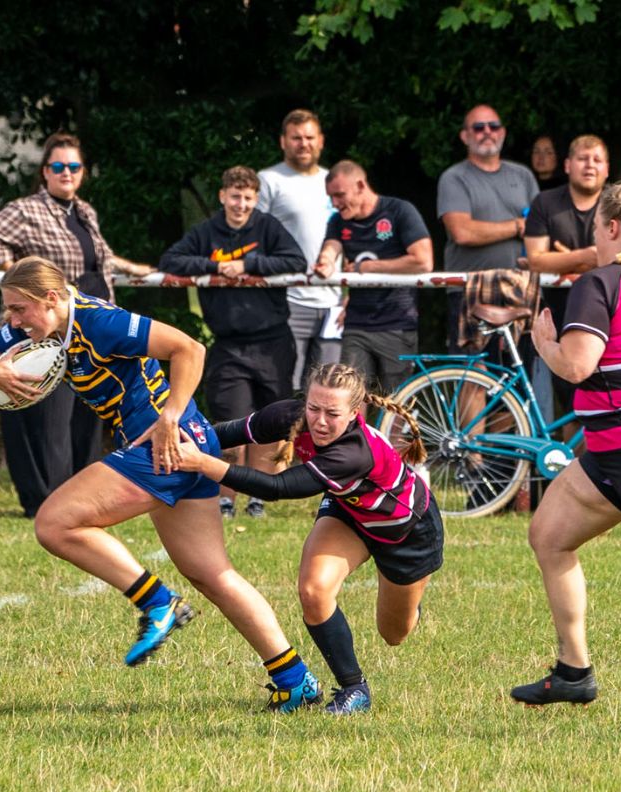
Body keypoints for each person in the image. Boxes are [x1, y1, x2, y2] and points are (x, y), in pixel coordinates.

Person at [0, 256, 321, 712]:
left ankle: (158, 602)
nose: (11, 321)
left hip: (165, 442)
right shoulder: (35, 325)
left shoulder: (100, 321)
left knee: (55, 523)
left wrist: (171, 415)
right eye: (8, 311)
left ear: (50, 299)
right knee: (213, 574)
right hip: (178, 446)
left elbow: (190, 349)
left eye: (18, 310)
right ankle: (295, 681)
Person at [177, 362, 444, 715]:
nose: (319, 421)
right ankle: (354, 689)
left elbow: (278, 487)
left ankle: (410, 599)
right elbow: (229, 433)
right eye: (314, 408)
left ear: (353, 414)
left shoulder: (354, 451)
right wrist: (180, 435)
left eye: (331, 413)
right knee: (314, 591)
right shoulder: (292, 415)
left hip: (405, 531)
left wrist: (204, 464)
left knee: (394, 633)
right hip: (349, 511)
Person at [511, 181, 621, 705]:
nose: (594, 238)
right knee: (549, 535)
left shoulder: (601, 282)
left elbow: (576, 365)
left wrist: (546, 344)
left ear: (614, 228)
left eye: (596, 228)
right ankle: (574, 672)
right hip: (611, 450)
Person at [0, 131, 147, 518]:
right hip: (46, 328)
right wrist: (21, 280)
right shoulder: (27, 209)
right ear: (44, 172)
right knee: (49, 417)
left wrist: (133, 269)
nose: (66, 173)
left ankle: (81, 500)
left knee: (87, 417)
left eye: (74, 166)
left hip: (88, 325)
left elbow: (98, 260)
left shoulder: (84, 212)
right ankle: (46, 501)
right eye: (58, 166)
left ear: (82, 172)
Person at [159, 165, 306, 520]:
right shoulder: (207, 232)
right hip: (228, 344)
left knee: (272, 423)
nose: (241, 204)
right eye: (235, 197)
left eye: (248, 198)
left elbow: (297, 261)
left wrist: (248, 265)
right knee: (231, 424)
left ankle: (259, 498)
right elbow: (171, 261)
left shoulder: (268, 227)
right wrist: (213, 266)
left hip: (273, 340)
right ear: (223, 196)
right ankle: (226, 498)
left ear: (256, 200)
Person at [316, 160, 433, 395]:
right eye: (331, 197)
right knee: (349, 396)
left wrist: (368, 268)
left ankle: (393, 435)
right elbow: (331, 246)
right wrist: (326, 261)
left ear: (360, 185)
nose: (334, 203)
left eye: (339, 195)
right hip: (356, 324)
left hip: (397, 323)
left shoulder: (399, 211)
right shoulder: (338, 221)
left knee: (398, 402)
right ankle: (356, 434)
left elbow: (423, 261)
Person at [437, 104, 539, 354]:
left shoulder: (523, 175)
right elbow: (462, 232)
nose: (487, 132)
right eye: (478, 127)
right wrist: (516, 226)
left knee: (518, 377)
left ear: (502, 132)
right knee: (473, 377)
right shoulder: (454, 177)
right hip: (469, 289)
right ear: (465, 135)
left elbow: (539, 229)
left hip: (519, 286)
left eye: (493, 126)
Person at [524, 134, 609, 425]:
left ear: (607, 168)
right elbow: (536, 259)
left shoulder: (616, 205)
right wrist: (588, 256)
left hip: (611, 315)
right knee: (572, 403)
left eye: (597, 159)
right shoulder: (546, 202)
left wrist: (562, 260)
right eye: (583, 159)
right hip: (559, 315)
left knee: (603, 401)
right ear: (568, 165)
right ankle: (575, 466)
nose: (590, 165)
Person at [257, 109, 340, 392]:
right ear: (283, 142)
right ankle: (283, 438)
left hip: (333, 300)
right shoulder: (268, 180)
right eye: (296, 138)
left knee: (329, 387)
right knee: (285, 387)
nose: (303, 144)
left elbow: (350, 234)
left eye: (309, 137)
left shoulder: (335, 182)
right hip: (288, 298)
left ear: (321, 141)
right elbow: (251, 235)